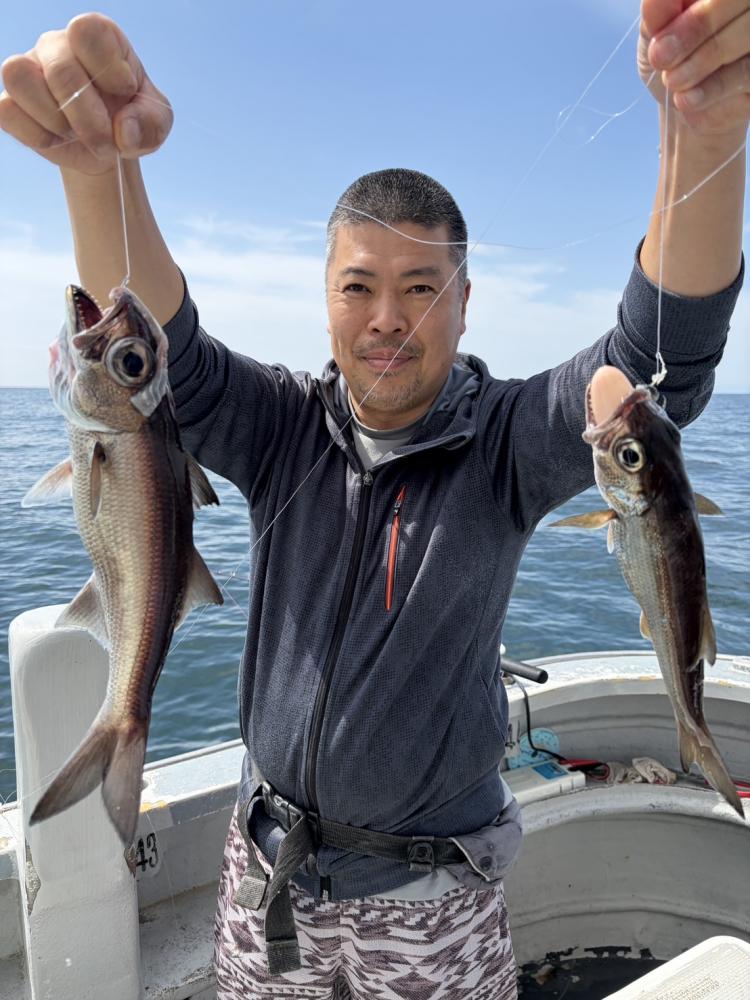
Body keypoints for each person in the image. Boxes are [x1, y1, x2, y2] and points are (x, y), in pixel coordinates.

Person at [1, 3, 747, 997]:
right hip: (267, 880)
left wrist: (707, 131)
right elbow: (156, 354)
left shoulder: (509, 442)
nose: (388, 318)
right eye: (358, 287)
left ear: (466, 301)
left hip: (435, 902)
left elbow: (658, 370)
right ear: (325, 299)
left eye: (422, 287)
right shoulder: (279, 424)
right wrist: (95, 171)